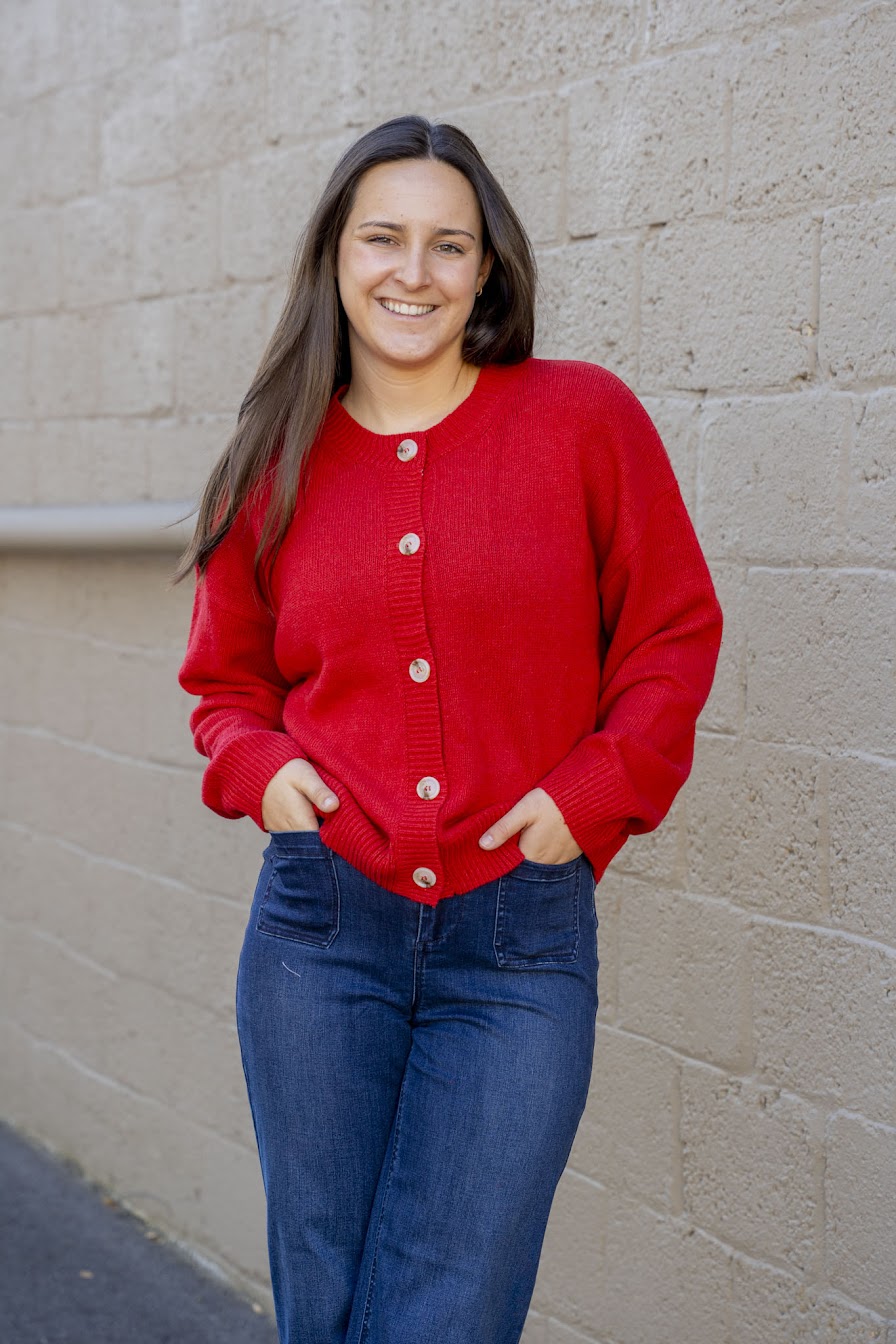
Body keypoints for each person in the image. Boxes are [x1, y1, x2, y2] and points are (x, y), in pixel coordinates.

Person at [175, 114, 724, 1344]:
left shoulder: (580, 421)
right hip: (321, 931)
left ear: (486, 270)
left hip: (515, 940)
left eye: (446, 245)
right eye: (382, 238)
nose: (410, 273)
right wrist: (264, 775)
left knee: (447, 1310)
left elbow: (669, 638)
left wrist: (585, 799)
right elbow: (223, 689)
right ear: (333, 256)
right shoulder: (268, 463)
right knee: (322, 1295)